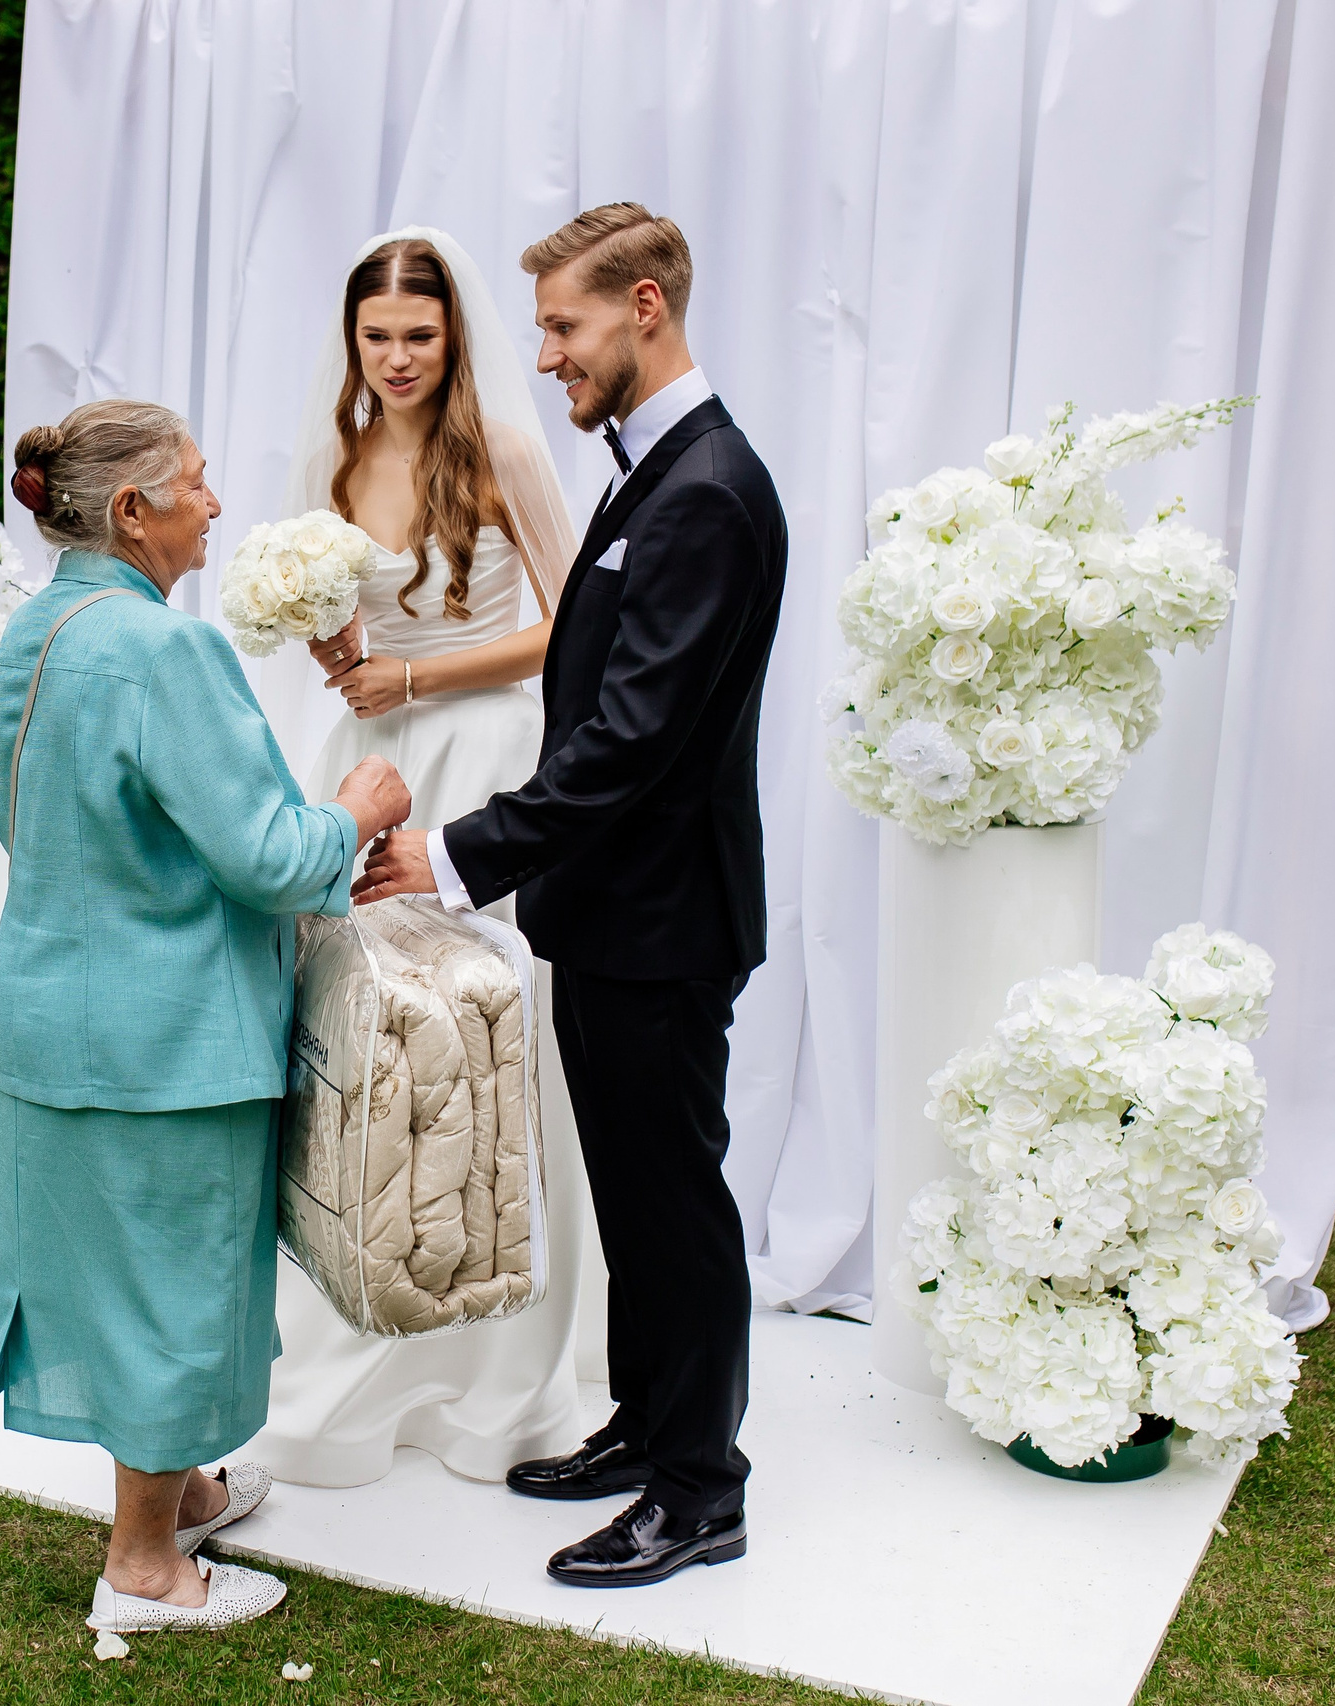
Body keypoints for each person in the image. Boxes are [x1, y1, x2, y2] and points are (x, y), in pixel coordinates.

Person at [355, 204, 788, 1588]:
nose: (543, 353)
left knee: (676, 1201)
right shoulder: (650, 467)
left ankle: (700, 1487)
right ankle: (644, 1424)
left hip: (666, 920)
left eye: (564, 325)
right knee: (632, 1188)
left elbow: (635, 736)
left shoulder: (709, 486)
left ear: (645, 306)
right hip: (609, 911)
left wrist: (462, 850)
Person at [0, 397, 414, 1632]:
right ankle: (145, 1568)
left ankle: (188, 1497)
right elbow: (270, 856)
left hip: (55, 1014)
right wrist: (359, 806)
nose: (216, 505)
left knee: (114, 1277)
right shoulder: (164, 649)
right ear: (133, 510)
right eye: (197, 482)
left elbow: (44, 822)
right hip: (165, 1034)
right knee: (176, 1288)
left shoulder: (39, 627)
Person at [248, 228, 592, 1490]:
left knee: (488, 1038)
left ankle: (497, 1368)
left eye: (420, 337)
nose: (396, 360)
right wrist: (337, 654)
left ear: (455, 340)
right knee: (362, 1038)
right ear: (353, 341)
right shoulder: (333, 454)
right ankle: (360, 1308)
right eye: (376, 337)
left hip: (482, 755)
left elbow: (570, 628)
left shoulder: (499, 446)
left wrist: (418, 671)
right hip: (361, 751)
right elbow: (325, 629)